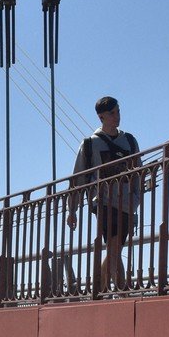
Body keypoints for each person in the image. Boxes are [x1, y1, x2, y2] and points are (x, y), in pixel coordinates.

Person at [67, 96, 142, 292]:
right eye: (112, 113)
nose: (117, 116)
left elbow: (138, 173)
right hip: (102, 202)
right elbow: (78, 177)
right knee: (115, 245)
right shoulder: (90, 144)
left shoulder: (129, 141)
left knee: (114, 249)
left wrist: (136, 198)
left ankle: (102, 290)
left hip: (126, 202)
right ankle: (120, 290)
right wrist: (72, 209)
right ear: (101, 117)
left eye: (118, 111)